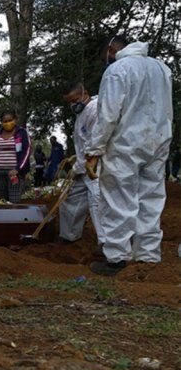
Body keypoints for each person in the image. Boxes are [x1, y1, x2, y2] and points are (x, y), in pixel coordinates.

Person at [85, 36, 173, 275]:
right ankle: (148, 256)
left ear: (112, 50)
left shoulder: (117, 70)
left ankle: (117, 258)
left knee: (118, 200)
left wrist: (94, 150)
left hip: (124, 144)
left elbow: (108, 115)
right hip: (157, 142)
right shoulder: (162, 68)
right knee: (151, 200)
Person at [58, 82, 105, 246]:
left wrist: (77, 167)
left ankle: (106, 244)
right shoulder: (81, 115)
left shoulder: (96, 110)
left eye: (75, 99)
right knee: (70, 198)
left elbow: (95, 143)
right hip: (82, 167)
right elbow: (82, 144)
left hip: (96, 167)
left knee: (97, 203)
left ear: (85, 93)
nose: (73, 104)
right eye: (69, 102)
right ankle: (68, 236)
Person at [0, 110, 32, 203]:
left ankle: (16, 218)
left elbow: (27, 152)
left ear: (15, 120)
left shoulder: (22, 133)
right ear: (1, 122)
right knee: (2, 202)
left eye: (10, 120)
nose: (8, 123)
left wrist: (18, 169)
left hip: (14, 174)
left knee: (14, 201)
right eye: (5, 121)